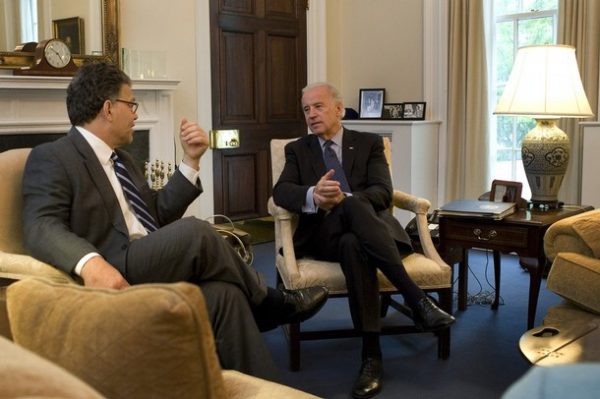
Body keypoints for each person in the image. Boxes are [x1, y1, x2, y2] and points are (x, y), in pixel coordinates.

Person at [21, 62, 329, 382]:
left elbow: (157, 214)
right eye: (132, 104)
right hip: (114, 268)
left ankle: (263, 385)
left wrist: (191, 159)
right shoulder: (53, 156)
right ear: (108, 108)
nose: (136, 114)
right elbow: (40, 225)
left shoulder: (123, 160)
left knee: (227, 295)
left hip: (149, 259)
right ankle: (270, 301)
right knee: (196, 230)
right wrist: (90, 263)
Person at [272, 82, 455, 398]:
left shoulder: (369, 143)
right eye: (306, 109)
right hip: (323, 236)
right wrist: (313, 195)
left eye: (318, 106)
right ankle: (417, 300)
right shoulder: (298, 150)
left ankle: (371, 356)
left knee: (353, 240)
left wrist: (347, 200)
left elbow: (383, 192)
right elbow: (281, 192)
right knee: (349, 211)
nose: (311, 114)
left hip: (366, 234)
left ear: (339, 109)